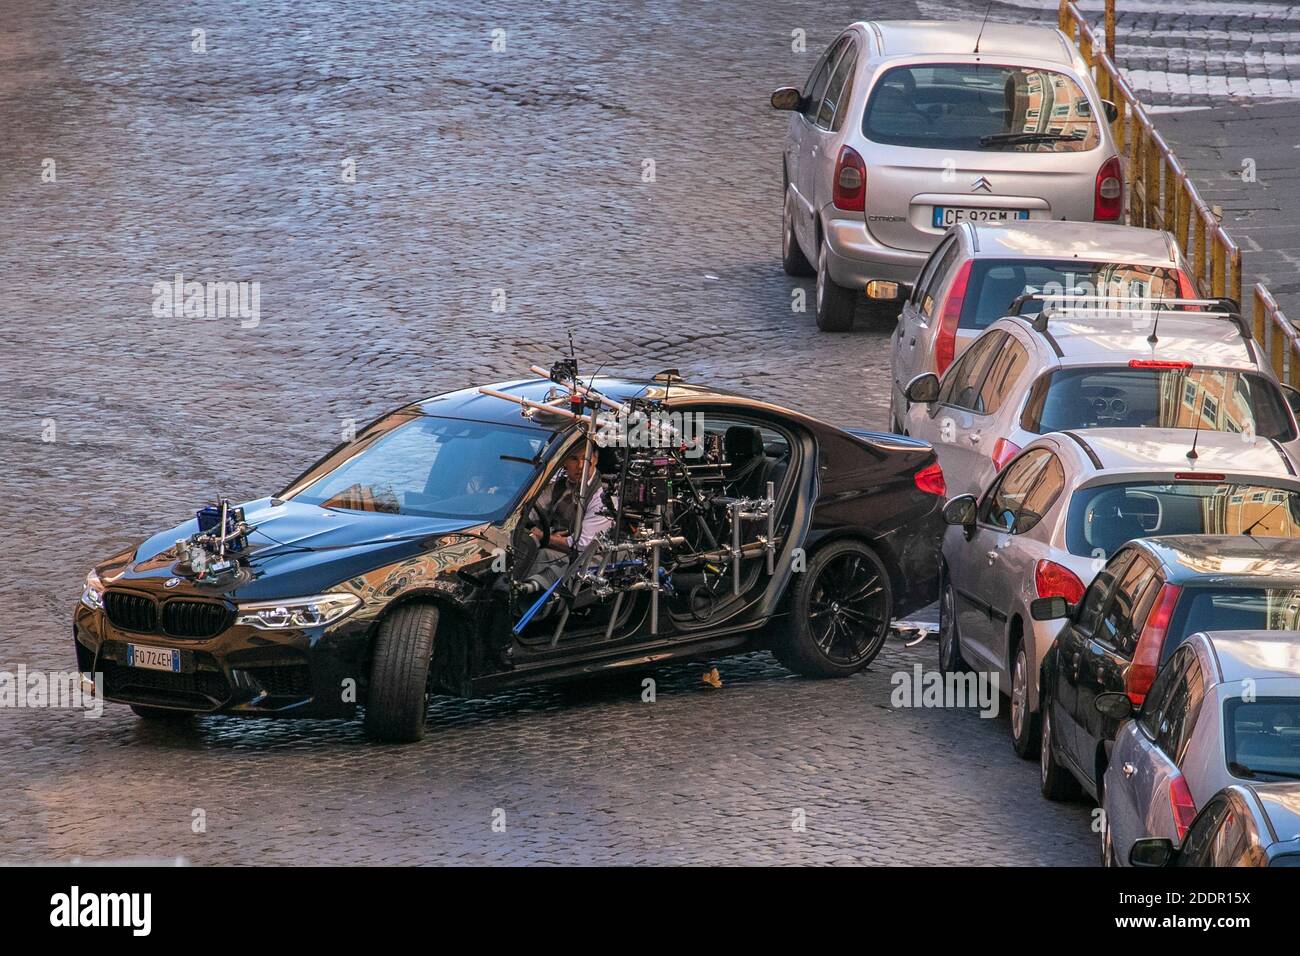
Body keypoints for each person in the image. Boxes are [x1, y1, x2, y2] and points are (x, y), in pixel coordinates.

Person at [524, 441, 616, 593]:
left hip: (585, 561)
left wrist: (543, 536)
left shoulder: (602, 497)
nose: (581, 466)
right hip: (557, 548)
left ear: (595, 459)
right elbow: (529, 512)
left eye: (585, 458)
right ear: (564, 461)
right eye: (573, 459)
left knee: (542, 554)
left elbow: (583, 545)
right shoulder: (559, 486)